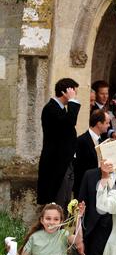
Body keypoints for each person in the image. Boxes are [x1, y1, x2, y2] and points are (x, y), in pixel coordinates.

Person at [37, 78, 80, 213]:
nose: (75, 96)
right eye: (73, 92)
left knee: (66, 202)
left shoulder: (60, 109)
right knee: (58, 204)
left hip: (65, 163)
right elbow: (69, 123)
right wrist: (72, 102)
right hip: (56, 165)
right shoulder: (50, 108)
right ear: (65, 91)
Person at [73, 109, 111, 198]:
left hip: (98, 186)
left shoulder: (102, 141)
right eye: (107, 123)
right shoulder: (81, 140)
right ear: (99, 123)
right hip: (83, 187)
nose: (108, 126)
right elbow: (77, 168)